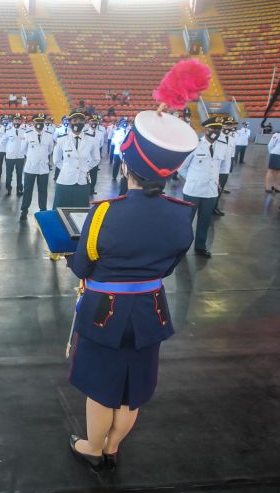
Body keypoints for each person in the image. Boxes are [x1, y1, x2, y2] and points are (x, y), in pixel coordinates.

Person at [66, 108, 197, 472]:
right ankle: (112, 446)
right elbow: (170, 265)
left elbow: (82, 265)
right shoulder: (183, 213)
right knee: (131, 390)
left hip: (104, 311)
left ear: (126, 167)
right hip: (151, 309)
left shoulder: (105, 211)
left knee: (100, 386)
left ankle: (92, 448)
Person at [178, 116, 229, 258]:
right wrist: (192, 179)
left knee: (205, 220)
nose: (216, 131)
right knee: (186, 221)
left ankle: (200, 246)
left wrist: (217, 181)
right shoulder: (194, 146)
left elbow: (224, 167)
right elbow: (181, 167)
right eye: (213, 128)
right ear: (206, 129)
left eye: (218, 129)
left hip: (210, 192)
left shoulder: (223, 146)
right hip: (192, 190)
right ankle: (181, 247)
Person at [52, 110, 99, 208]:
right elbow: (56, 160)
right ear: (70, 123)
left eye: (81, 120)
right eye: (74, 120)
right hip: (65, 180)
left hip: (83, 181)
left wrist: (85, 168)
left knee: (80, 211)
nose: (78, 123)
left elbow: (96, 159)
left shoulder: (91, 140)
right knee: (60, 210)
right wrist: (67, 168)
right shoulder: (62, 139)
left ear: (84, 123)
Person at [19, 113, 53, 221]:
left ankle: (43, 210)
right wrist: (32, 157)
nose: (39, 124)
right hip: (30, 167)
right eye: (36, 121)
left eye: (41, 122)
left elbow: (50, 150)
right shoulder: (28, 134)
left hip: (43, 168)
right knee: (27, 190)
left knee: (43, 190)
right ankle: (24, 210)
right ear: (33, 123)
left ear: (44, 123)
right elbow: (23, 149)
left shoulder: (49, 135)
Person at [0, 113, 28, 197]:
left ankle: (19, 189)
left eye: (19, 120)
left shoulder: (24, 131)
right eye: (15, 120)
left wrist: (25, 152)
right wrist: (8, 150)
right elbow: (3, 141)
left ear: (21, 121)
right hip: (10, 156)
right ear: (13, 121)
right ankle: (8, 188)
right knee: (9, 174)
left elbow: (27, 143)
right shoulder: (8, 131)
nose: (17, 122)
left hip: (20, 156)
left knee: (20, 174)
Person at [87, 116, 106, 195]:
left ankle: (92, 189)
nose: (93, 123)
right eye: (92, 122)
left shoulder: (100, 133)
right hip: (87, 156)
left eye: (95, 122)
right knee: (87, 174)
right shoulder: (85, 133)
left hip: (95, 156)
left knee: (94, 175)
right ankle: (86, 189)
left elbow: (101, 144)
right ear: (89, 123)